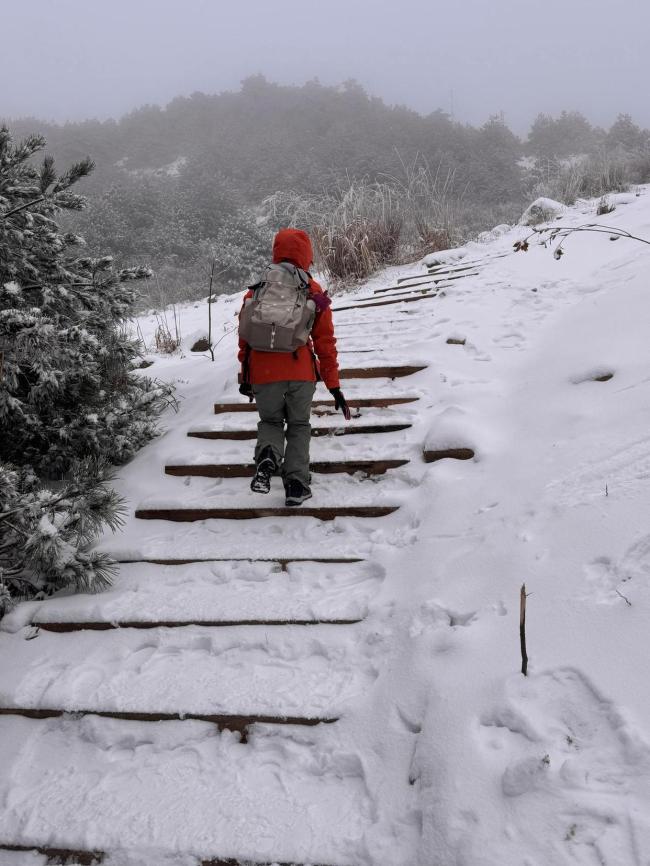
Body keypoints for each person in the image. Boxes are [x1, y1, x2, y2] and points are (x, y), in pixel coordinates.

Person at [238, 228, 350, 506]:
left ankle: (267, 456)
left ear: (277, 251)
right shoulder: (313, 290)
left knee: (270, 422)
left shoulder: (256, 289)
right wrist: (333, 384)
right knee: (299, 425)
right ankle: (297, 484)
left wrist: (246, 376)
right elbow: (325, 342)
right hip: (300, 373)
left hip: (264, 374)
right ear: (306, 254)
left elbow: (245, 337)